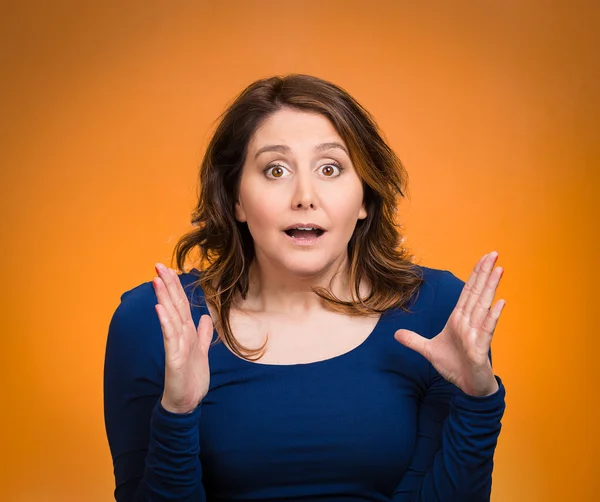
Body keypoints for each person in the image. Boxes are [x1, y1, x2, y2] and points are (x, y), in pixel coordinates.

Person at [103, 74, 507, 502]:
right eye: (275, 170)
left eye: (330, 168)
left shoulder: (438, 310)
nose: (304, 196)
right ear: (237, 199)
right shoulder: (157, 322)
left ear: (366, 197)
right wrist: (177, 414)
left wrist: (477, 401)